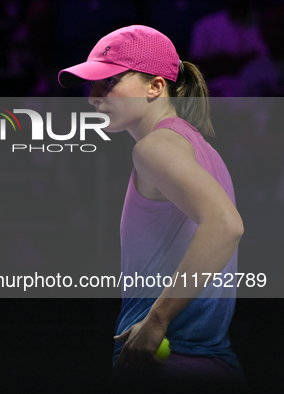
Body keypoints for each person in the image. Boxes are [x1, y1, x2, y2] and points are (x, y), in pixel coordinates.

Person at [58, 25, 245, 384]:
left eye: (108, 82)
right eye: (91, 84)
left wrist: (157, 320)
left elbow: (226, 226)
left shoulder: (154, 148)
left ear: (156, 86)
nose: (93, 96)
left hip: (169, 365)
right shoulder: (198, 147)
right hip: (210, 363)